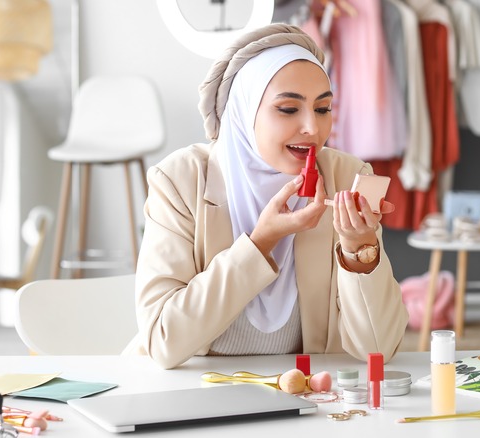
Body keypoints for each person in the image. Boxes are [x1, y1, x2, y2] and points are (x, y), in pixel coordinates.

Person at [123, 24, 409, 369]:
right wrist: (262, 241)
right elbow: (163, 342)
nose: (313, 129)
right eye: (288, 109)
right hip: (193, 397)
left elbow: (378, 351)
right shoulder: (180, 181)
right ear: (244, 113)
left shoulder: (347, 179)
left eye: (323, 109)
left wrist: (359, 251)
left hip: (306, 398)